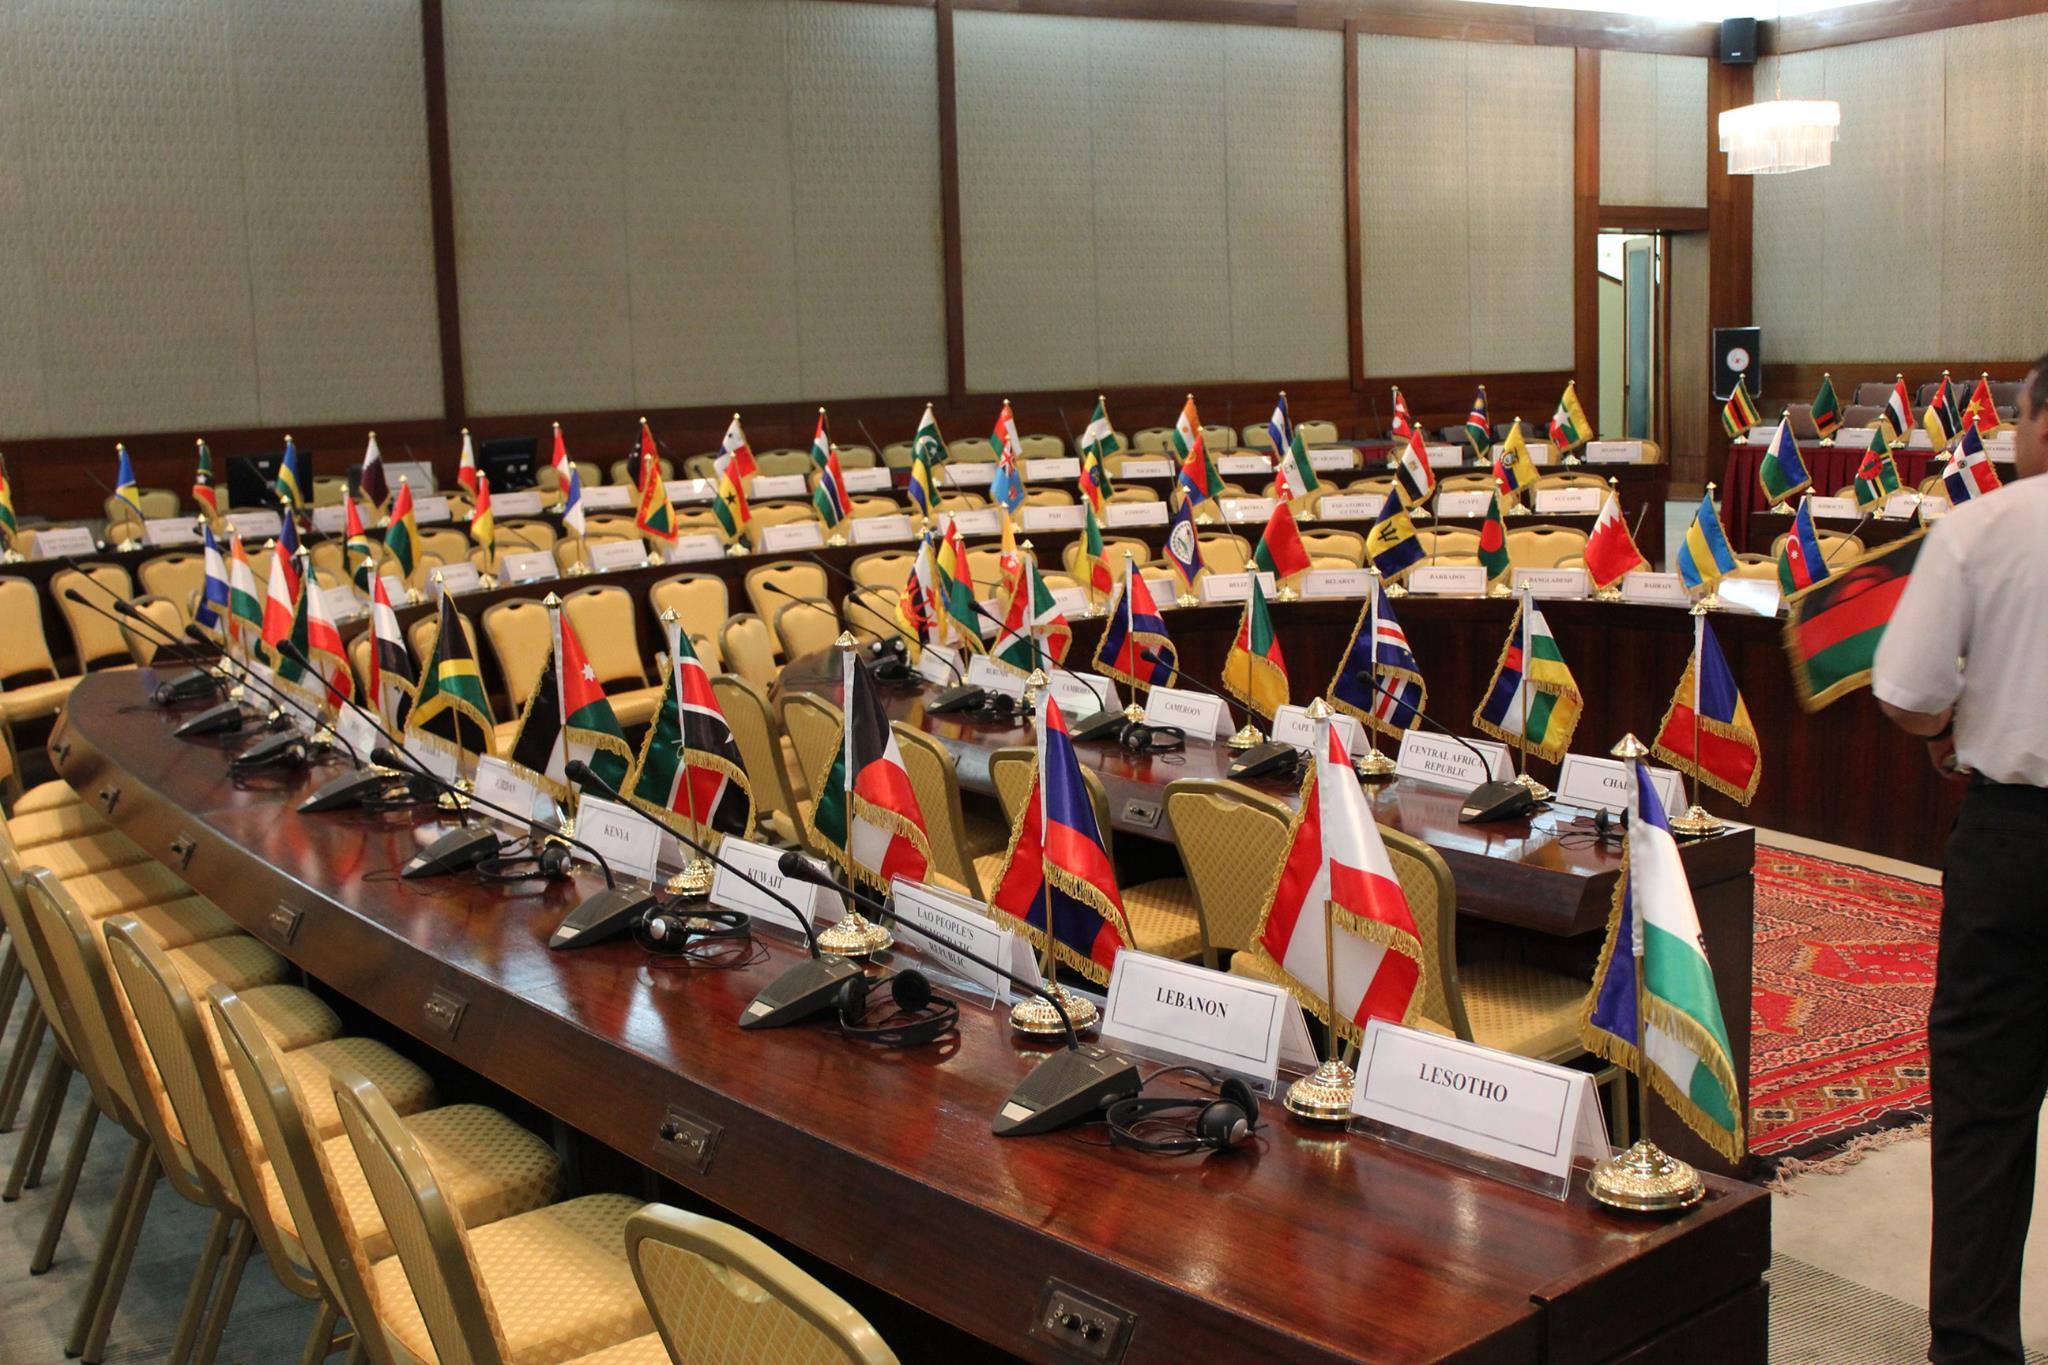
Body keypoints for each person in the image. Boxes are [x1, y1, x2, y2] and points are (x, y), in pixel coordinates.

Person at [1874, 353, 2048, 1364]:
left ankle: (1975, 1351)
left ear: (2043, 424)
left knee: (1984, 1111)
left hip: (2017, 843)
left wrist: (1950, 727)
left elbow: (1906, 692)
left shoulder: (1982, 528)